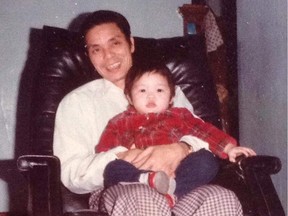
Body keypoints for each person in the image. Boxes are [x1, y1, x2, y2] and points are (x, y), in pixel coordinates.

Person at [53, 10, 256, 215]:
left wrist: (182, 148)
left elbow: (199, 131)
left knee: (222, 199)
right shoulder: (77, 102)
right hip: (121, 188)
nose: (108, 56)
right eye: (96, 49)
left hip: (178, 186)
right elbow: (72, 175)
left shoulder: (168, 90)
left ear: (131, 44)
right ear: (88, 55)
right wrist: (125, 156)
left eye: (115, 43)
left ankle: (171, 193)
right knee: (142, 199)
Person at [96, 61, 243, 205]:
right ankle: (146, 179)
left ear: (172, 97)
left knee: (206, 159)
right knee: (112, 168)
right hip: (138, 172)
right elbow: (104, 152)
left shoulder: (180, 116)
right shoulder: (119, 122)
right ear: (129, 97)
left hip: (176, 173)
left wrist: (229, 148)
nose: (151, 96)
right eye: (142, 90)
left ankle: (174, 194)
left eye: (159, 90)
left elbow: (205, 132)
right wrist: (125, 154)